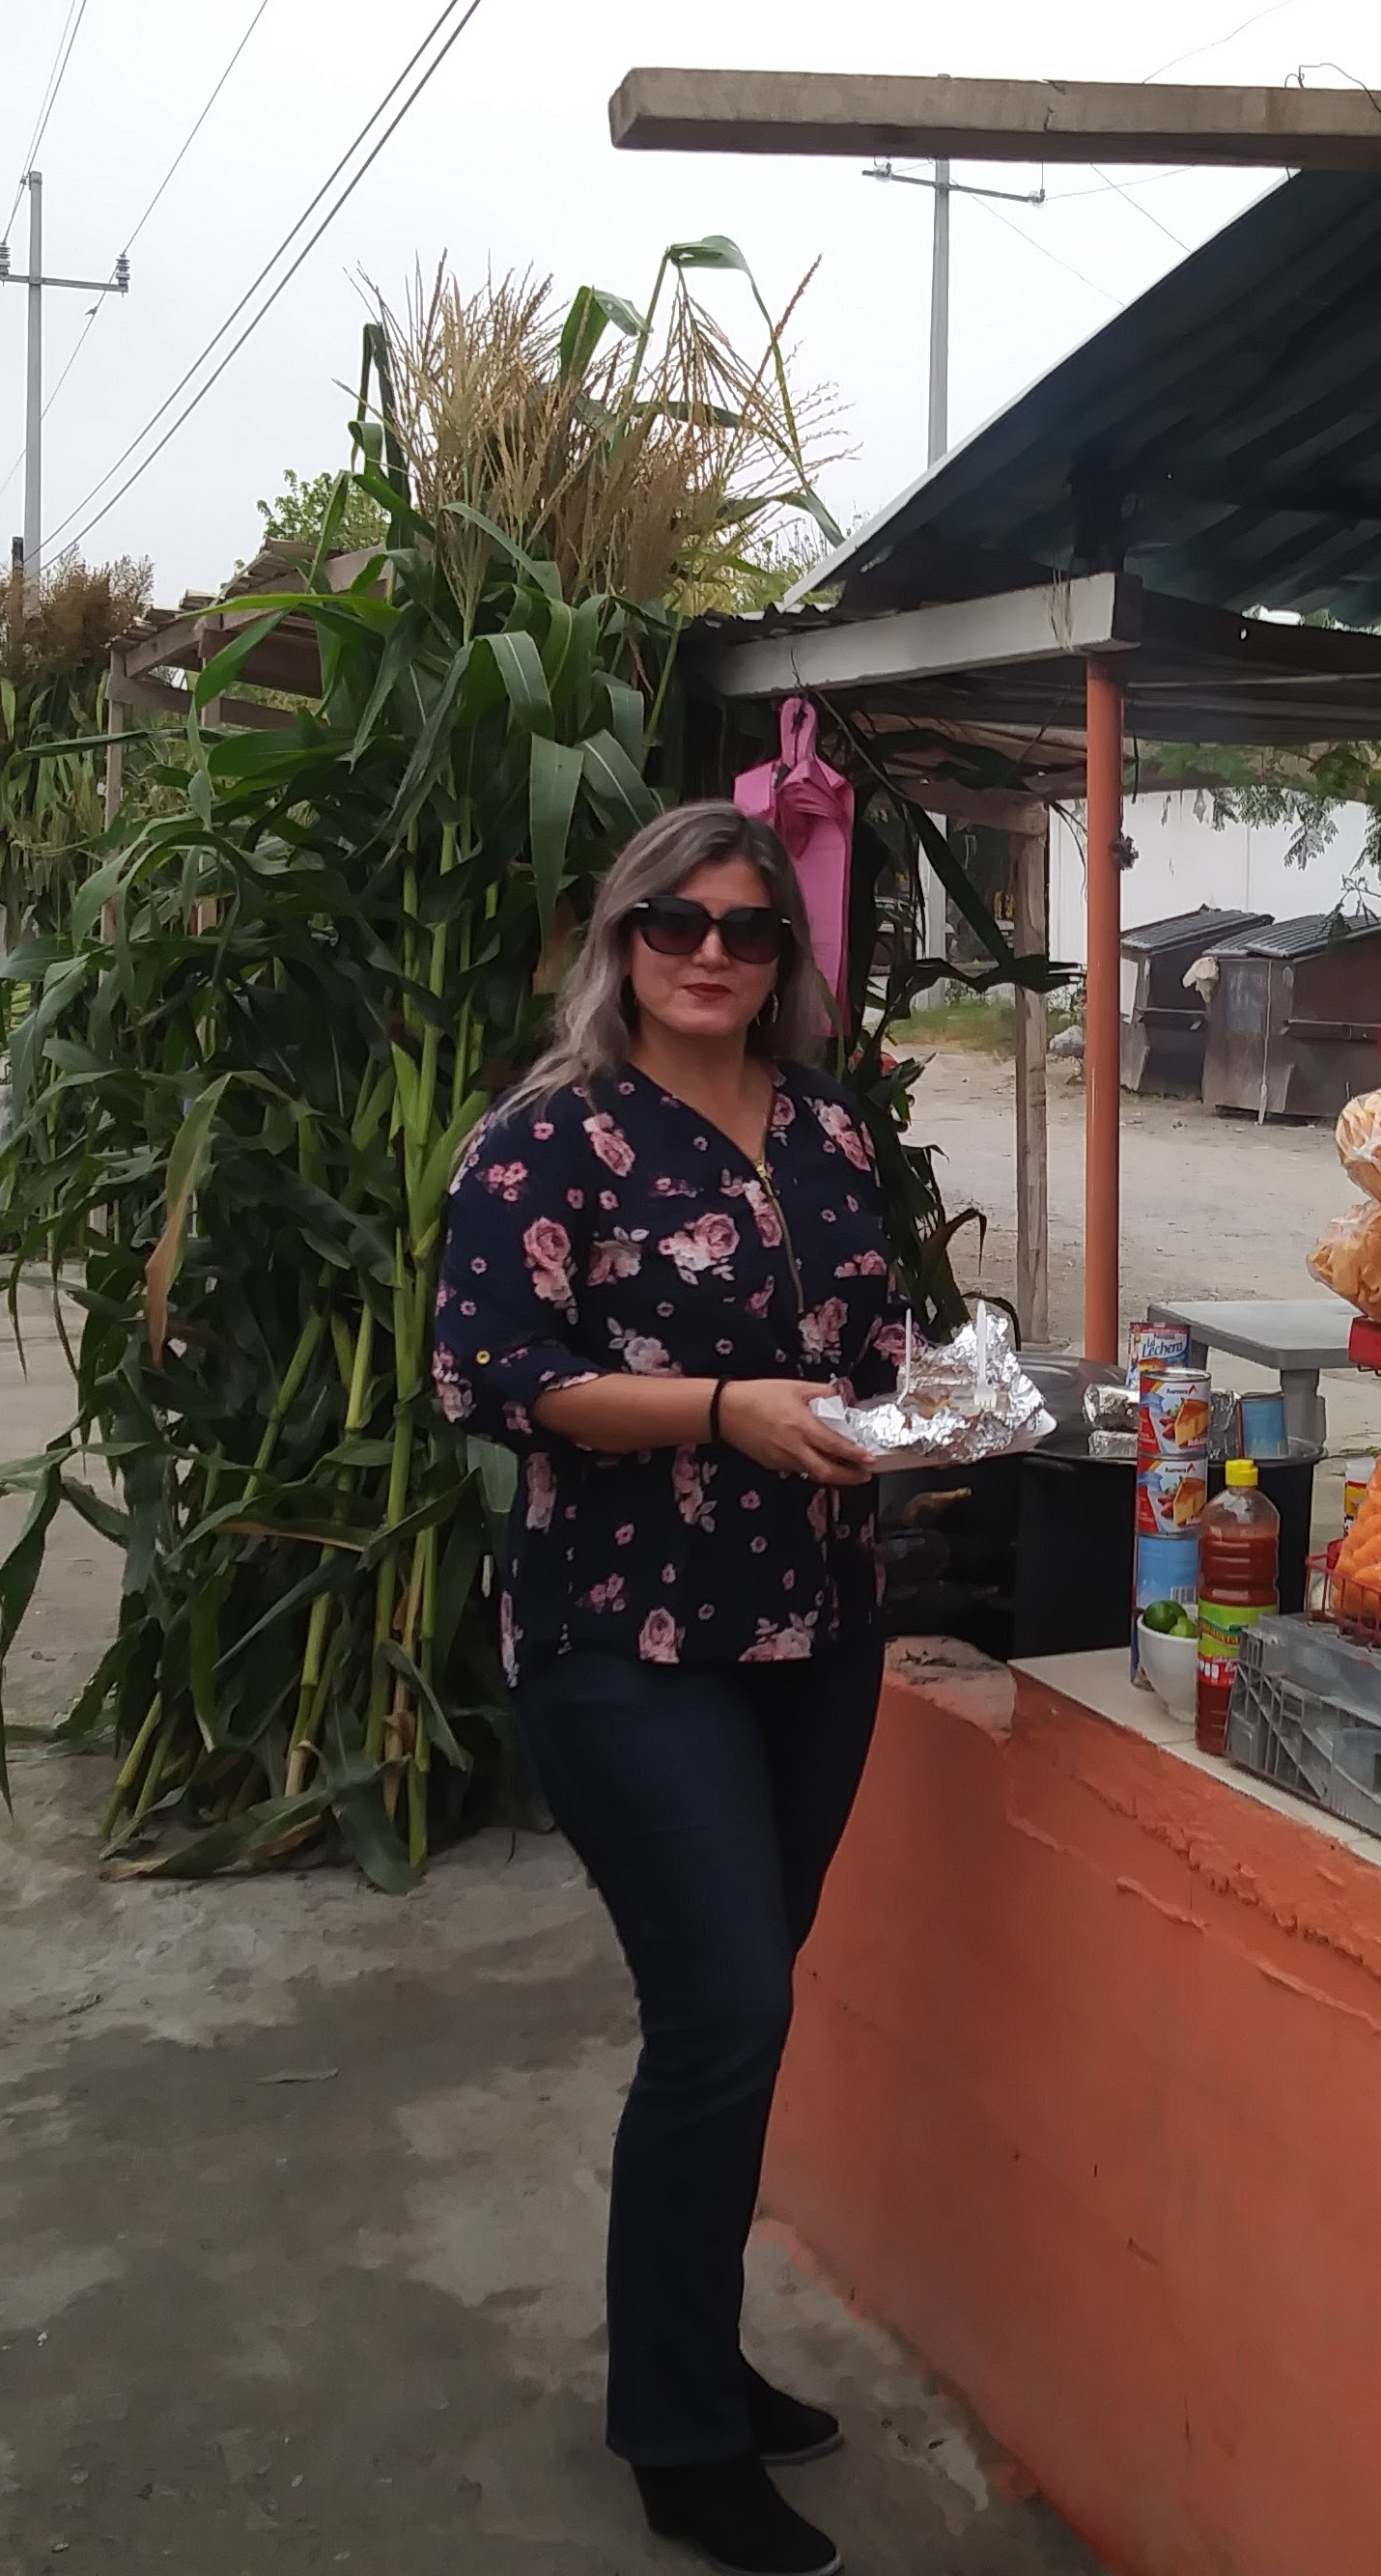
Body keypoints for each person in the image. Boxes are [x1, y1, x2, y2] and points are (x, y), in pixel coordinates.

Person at [429, 801, 904, 2576]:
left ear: (789, 957)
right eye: (672, 921)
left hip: (818, 1623)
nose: (711, 953)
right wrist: (724, 1410)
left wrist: (939, 1414)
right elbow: (491, 1376)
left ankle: (692, 2355)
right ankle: (678, 2437)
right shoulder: (548, 1144)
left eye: (750, 929)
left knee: (742, 2008)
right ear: (617, 938)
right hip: (627, 1635)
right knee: (724, 2015)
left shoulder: (832, 1128)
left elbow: (873, 1351)